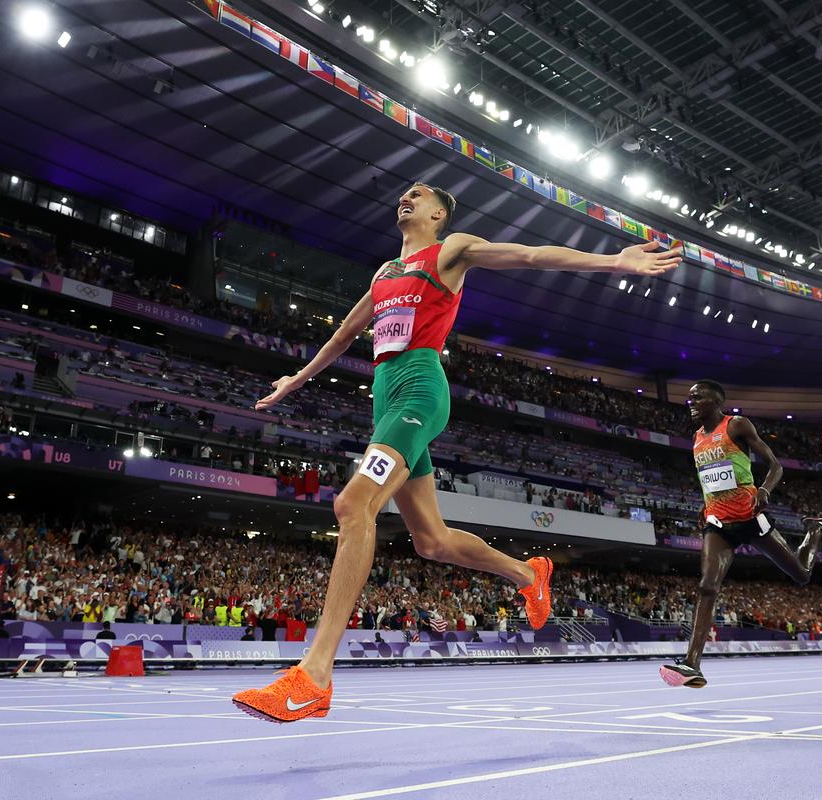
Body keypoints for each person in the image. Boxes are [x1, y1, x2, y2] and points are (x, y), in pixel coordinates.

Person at [232, 182, 681, 722]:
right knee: (432, 542)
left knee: (353, 506)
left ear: (439, 212)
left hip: (420, 391)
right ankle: (528, 575)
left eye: (417, 194)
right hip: (385, 398)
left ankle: (315, 675)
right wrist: (296, 379)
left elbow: (532, 255)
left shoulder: (449, 250)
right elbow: (346, 334)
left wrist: (613, 261)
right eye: (403, 193)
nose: (406, 198)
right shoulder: (383, 274)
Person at [660, 380, 822, 688]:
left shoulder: (737, 425)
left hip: (750, 518)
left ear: (715, 402)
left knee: (801, 574)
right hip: (718, 523)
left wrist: (765, 490)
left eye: (696, 398)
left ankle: (813, 529)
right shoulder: (696, 438)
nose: (689, 404)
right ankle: (692, 664)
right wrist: (707, 505)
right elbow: (710, 478)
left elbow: (776, 466)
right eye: (688, 399)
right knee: (707, 586)